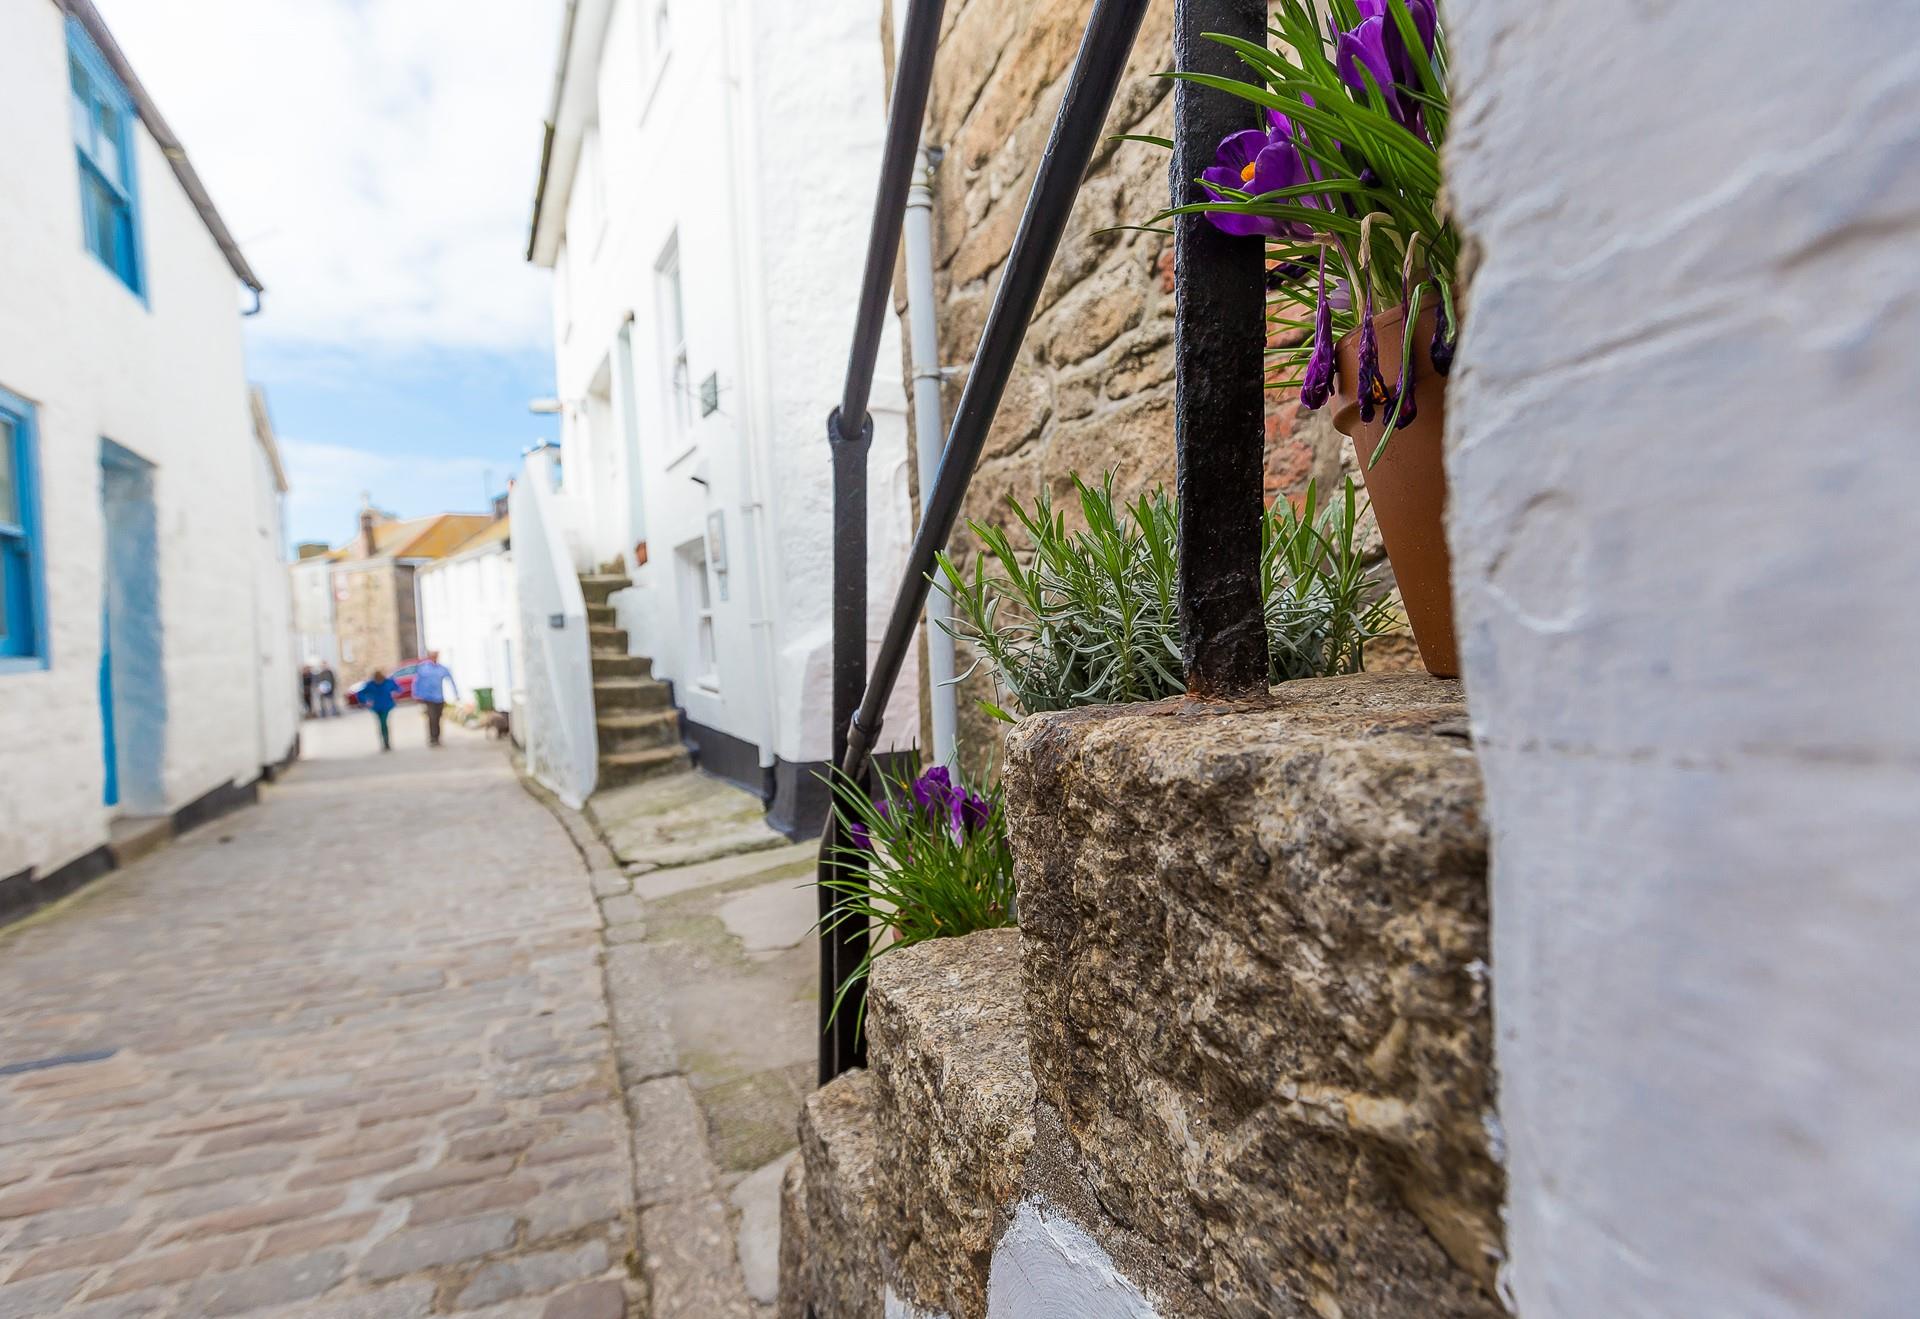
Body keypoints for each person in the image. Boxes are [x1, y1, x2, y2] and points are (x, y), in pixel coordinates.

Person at [411, 651, 457, 747]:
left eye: (436, 656)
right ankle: (432, 738)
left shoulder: (441, 668)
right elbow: (416, 682)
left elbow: (451, 680)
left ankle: (437, 737)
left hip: (439, 697)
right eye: (433, 656)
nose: (434, 657)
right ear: (429, 656)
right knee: (432, 717)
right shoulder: (423, 668)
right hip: (428, 697)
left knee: (438, 717)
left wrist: (456, 694)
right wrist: (416, 694)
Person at [360, 669, 400, 752]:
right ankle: (385, 742)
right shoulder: (370, 684)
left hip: (386, 706)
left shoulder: (388, 682)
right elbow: (360, 693)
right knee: (381, 724)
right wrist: (366, 701)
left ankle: (386, 742)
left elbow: (398, 688)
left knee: (383, 723)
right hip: (376, 707)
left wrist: (395, 693)